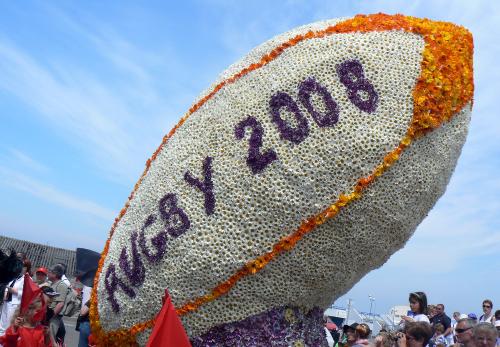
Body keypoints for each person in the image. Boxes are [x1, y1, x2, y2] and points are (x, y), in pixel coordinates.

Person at [0, 274, 53, 347]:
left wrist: (47, 338)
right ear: (28, 311)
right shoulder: (18, 329)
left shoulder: (41, 330)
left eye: (42, 311)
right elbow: (8, 343)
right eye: (38, 311)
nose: (41, 314)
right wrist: (14, 329)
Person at [0, 259, 30, 337]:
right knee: (2, 323)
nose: (21, 268)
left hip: (15, 304)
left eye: (24, 266)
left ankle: (6, 341)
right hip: (7, 301)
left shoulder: (27, 279)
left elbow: (27, 294)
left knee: (9, 324)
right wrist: (6, 291)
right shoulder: (14, 276)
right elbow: (7, 286)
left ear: (27, 268)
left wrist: (15, 292)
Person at [47, 264, 68, 345]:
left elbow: (60, 304)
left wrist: (50, 316)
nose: (48, 273)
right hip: (49, 316)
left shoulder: (62, 285)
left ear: (55, 274)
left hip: (53, 318)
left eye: (50, 272)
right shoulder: (52, 284)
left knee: (50, 340)